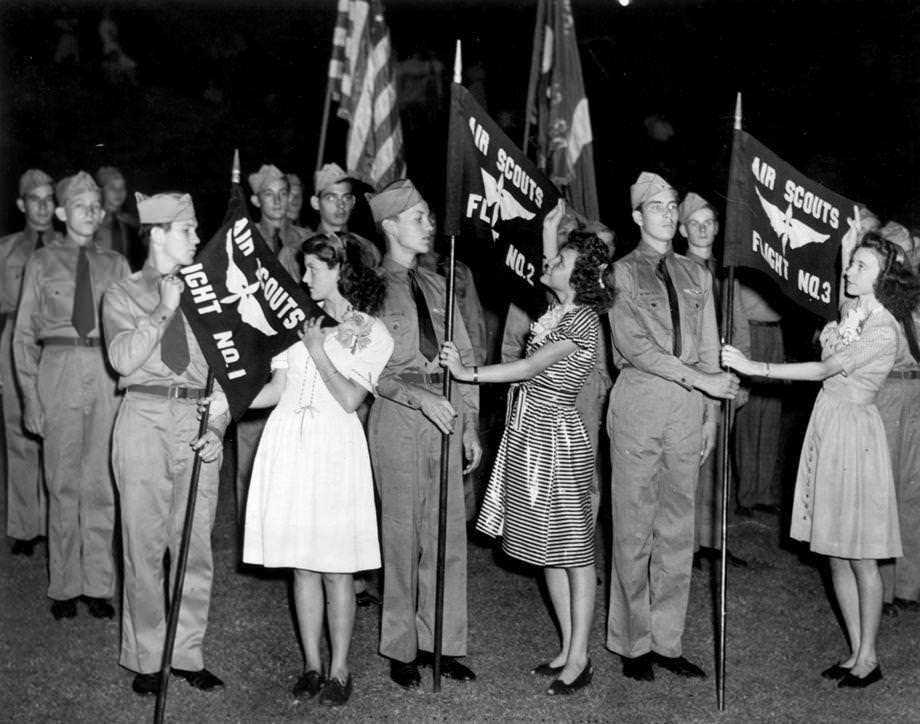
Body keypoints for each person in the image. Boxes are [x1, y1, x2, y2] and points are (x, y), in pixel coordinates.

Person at [723, 232, 918, 689]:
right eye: (850, 264)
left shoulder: (883, 326)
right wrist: (848, 246)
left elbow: (825, 369)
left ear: (883, 277)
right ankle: (854, 650)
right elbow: (843, 305)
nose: (850, 272)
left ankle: (869, 656)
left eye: (861, 266)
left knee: (860, 554)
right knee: (833, 550)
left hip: (855, 433)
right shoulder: (852, 311)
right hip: (828, 424)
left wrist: (756, 368)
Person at [441, 230, 612, 696]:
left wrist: (466, 373)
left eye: (560, 260)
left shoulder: (583, 322)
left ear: (578, 278)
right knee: (551, 547)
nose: (550, 262)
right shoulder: (557, 312)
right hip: (531, 434)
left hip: (556, 438)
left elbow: (528, 369)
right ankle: (565, 647)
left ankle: (580, 657)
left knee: (574, 549)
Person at [239, 233, 393, 707]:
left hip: (334, 448)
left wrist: (318, 348)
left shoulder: (372, 331)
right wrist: (232, 400)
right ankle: (311, 663)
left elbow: (349, 399)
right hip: (290, 442)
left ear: (341, 271)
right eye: (304, 269)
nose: (304, 278)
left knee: (336, 568)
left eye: (313, 269)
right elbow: (279, 387)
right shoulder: (296, 323)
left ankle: (340, 667)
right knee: (302, 566)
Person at [606, 172, 738, 682]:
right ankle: (633, 642)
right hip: (641, 403)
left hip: (687, 411)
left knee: (678, 532)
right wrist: (701, 379)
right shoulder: (620, 274)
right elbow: (636, 348)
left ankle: (667, 640)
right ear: (638, 217)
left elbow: (708, 345)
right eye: (656, 206)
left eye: (671, 205)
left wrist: (708, 415)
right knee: (634, 529)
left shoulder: (696, 273)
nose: (666, 213)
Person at [102, 191, 229, 696]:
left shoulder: (209, 293)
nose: (197, 238)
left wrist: (217, 427)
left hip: (197, 418)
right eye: (188, 229)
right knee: (144, 543)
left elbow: (228, 368)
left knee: (195, 545)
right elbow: (122, 359)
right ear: (157, 234)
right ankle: (148, 657)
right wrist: (163, 309)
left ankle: (186, 652)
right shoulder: (122, 292)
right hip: (145, 417)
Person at [365, 178, 482, 689]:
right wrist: (421, 398)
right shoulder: (367, 288)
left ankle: (443, 643)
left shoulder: (439, 286)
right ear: (390, 226)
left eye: (429, 216)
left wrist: (471, 422)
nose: (429, 225)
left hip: (447, 415)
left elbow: (468, 359)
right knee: (401, 534)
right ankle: (401, 647)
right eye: (419, 218)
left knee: (446, 535)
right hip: (400, 415)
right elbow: (367, 371)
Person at [14, 171, 129, 619]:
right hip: (58, 371)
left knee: (101, 481)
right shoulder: (41, 263)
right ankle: (64, 585)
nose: (92, 212)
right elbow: (23, 336)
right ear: (61, 213)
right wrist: (30, 399)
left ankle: (98, 583)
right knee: (62, 480)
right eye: (81, 205)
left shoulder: (117, 264)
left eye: (96, 205)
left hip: (104, 372)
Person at [677, 192, 750, 567]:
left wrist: (743, 378)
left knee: (720, 461)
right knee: (691, 461)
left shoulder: (727, 271)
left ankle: (712, 538)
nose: (702, 229)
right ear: (682, 228)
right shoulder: (676, 269)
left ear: (719, 228)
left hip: (726, 380)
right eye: (694, 223)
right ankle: (684, 544)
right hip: (695, 380)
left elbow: (739, 327)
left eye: (709, 223)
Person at [236, 164, 311, 527]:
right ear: (255, 199)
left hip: (298, 351)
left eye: (284, 193)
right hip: (256, 349)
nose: (279, 200)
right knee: (251, 445)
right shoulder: (242, 239)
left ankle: (289, 528)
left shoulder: (305, 238)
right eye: (270, 194)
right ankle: (251, 529)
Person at [1, 169, 59, 556]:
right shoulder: (5, 249)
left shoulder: (68, 247)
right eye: (34, 199)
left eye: (49, 199)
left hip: (54, 344)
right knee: (18, 431)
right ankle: (25, 526)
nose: (42, 206)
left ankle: (59, 521)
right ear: (22, 204)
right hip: (11, 339)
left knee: (58, 432)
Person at [310, 163, 382, 267]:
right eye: (331, 198)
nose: (341, 205)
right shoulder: (297, 251)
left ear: (353, 202)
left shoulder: (368, 251)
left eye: (346, 198)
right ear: (315, 203)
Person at [94, 165, 142, 270]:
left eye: (122, 187)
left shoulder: (131, 223)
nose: (119, 192)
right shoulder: (91, 222)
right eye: (112, 187)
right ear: (101, 191)